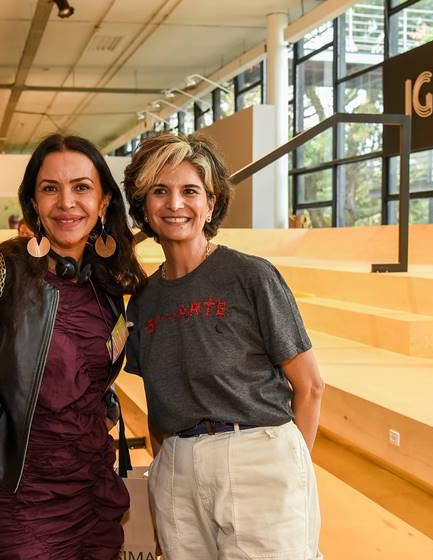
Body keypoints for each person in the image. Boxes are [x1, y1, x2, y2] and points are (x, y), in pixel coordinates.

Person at [0, 134, 147, 558]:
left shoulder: (108, 282)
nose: (66, 202)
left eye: (81, 187)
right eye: (50, 188)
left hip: (94, 488)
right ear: (33, 202)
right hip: (21, 498)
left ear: (104, 203)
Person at [123, 133, 324, 560]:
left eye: (190, 191)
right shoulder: (144, 300)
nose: (175, 204)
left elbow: (310, 386)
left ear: (210, 204)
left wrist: (290, 473)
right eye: (161, 191)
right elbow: (160, 405)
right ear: (144, 206)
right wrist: (166, 484)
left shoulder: (250, 276)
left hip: (256, 455)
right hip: (177, 465)